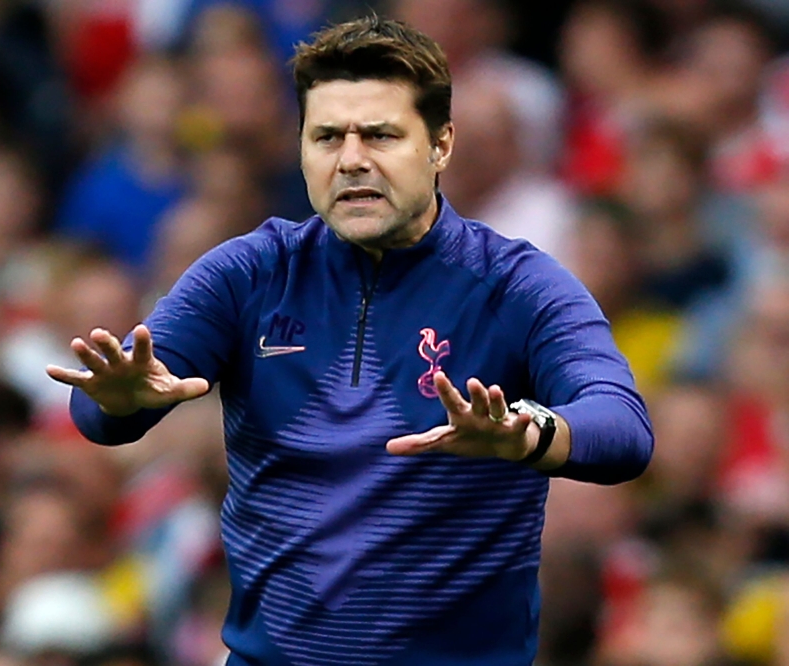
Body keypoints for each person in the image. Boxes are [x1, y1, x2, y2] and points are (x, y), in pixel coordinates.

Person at [47, 16, 654, 666]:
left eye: (382, 135)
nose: (352, 158)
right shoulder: (250, 272)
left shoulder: (516, 283)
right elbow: (100, 414)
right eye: (328, 136)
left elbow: (623, 426)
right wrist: (119, 398)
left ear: (441, 144)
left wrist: (530, 434)